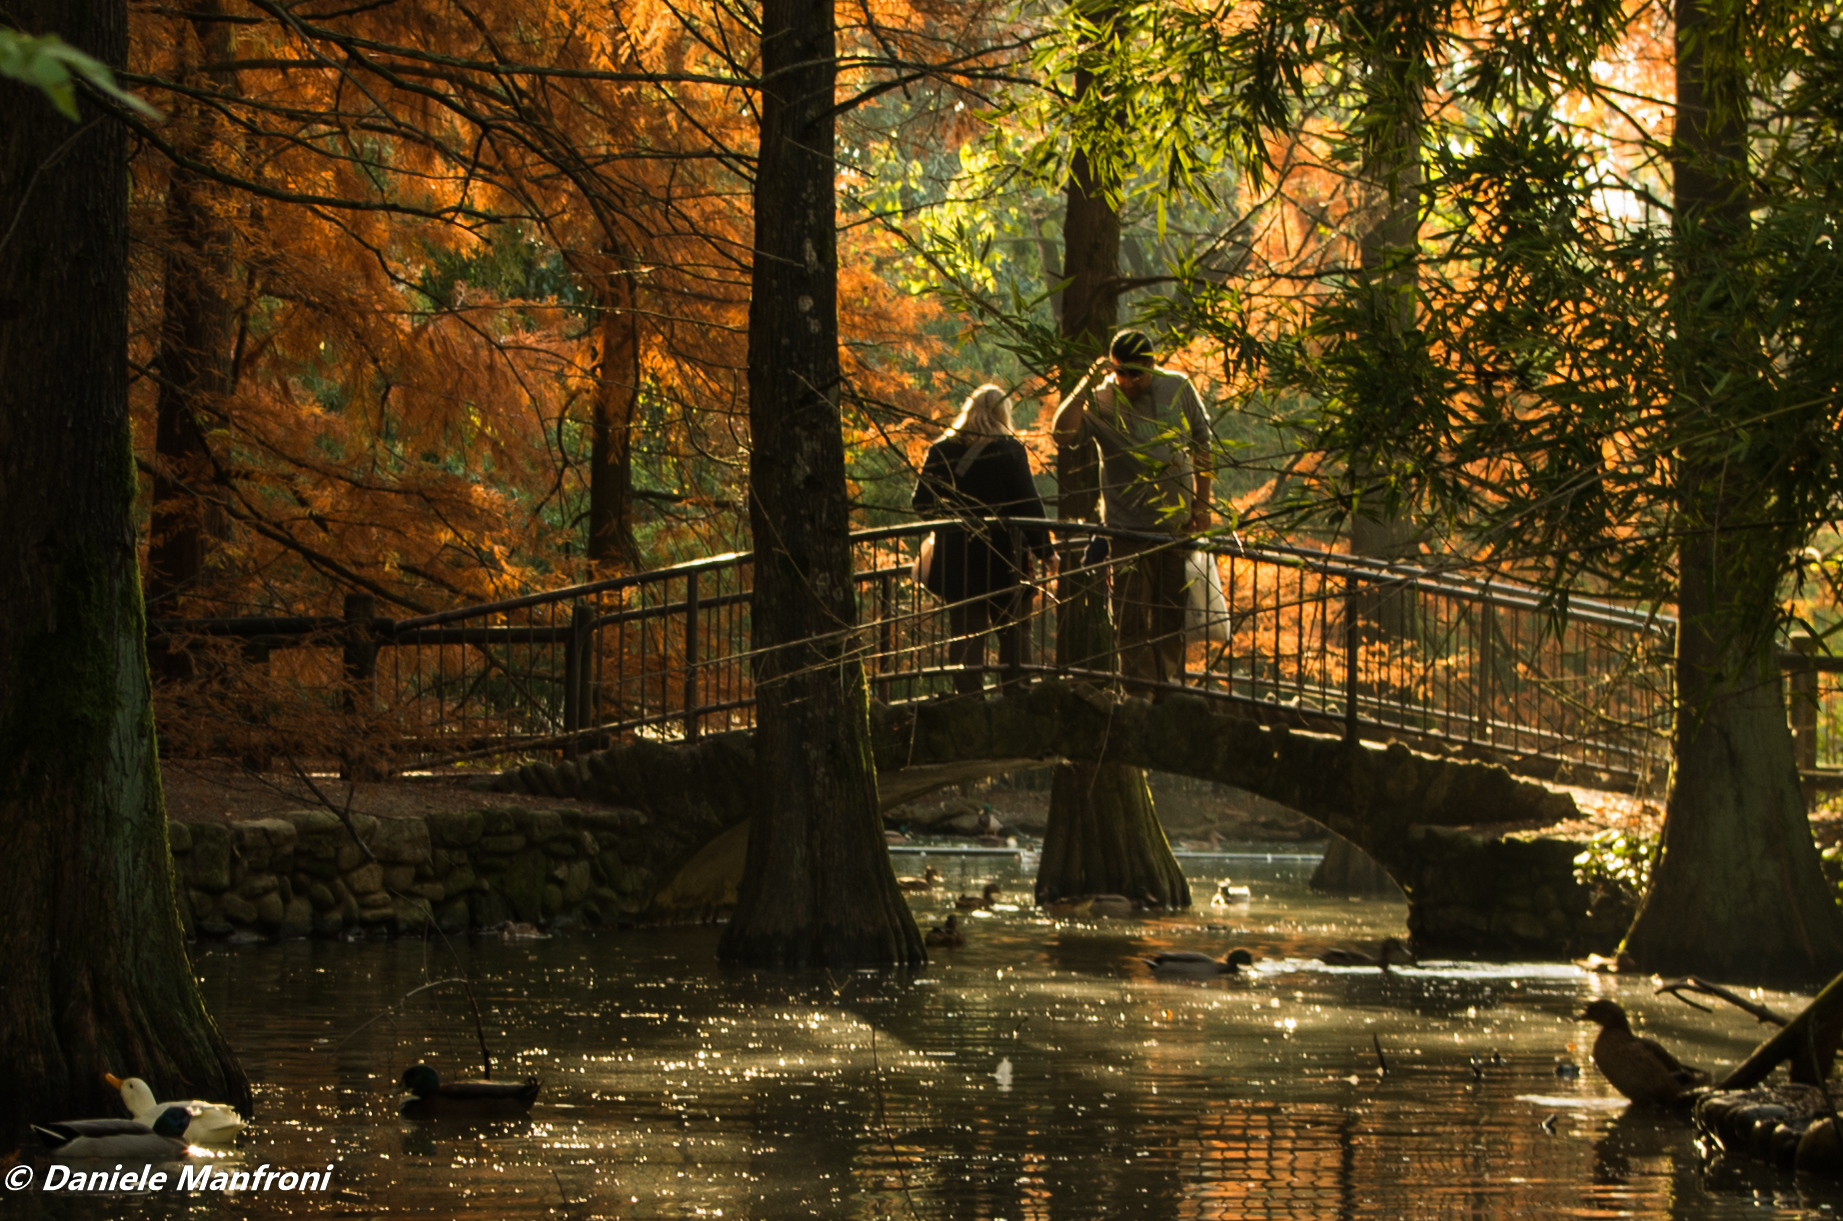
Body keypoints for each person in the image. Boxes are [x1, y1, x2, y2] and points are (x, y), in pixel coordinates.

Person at [1051, 329, 1213, 691]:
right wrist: (1085, 384)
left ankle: (1161, 687)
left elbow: (1204, 446)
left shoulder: (1178, 389)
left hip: (1175, 529)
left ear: (1152, 367)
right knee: (1129, 618)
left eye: (1135, 375)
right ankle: (1141, 694)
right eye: (1119, 373)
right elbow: (1061, 435)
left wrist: (1202, 505)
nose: (1127, 383)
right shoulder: (1100, 399)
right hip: (1125, 531)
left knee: (1170, 616)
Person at [912, 384, 1051, 695]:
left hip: (959, 562)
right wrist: (1046, 552)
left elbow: (921, 503)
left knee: (966, 634)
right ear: (1004, 414)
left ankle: (968, 701)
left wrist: (951, 522)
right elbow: (1028, 504)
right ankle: (1016, 696)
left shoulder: (941, 450)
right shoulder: (1009, 450)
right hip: (1006, 560)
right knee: (1014, 631)